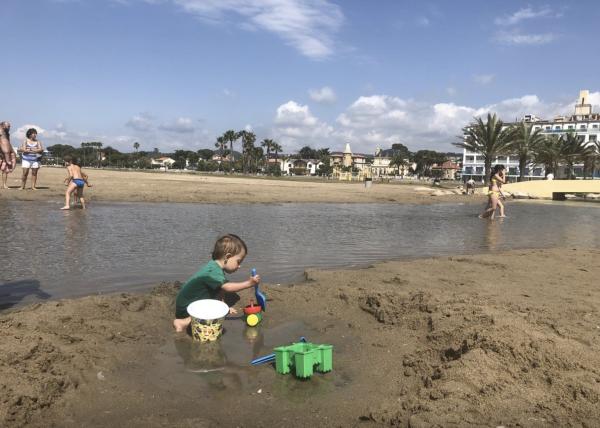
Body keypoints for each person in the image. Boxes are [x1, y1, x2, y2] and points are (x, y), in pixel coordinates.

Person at [173, 234, 261, 333]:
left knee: (217, 302)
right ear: (227, 257)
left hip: (189, 302)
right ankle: (182, 322)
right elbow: (227, 287)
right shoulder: (213, 271)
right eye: (238, 261)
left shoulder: (214, 266)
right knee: (212, 313)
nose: (239, 266)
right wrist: (248, 283)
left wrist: (224, 307)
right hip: (186, 308)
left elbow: (221, 289)